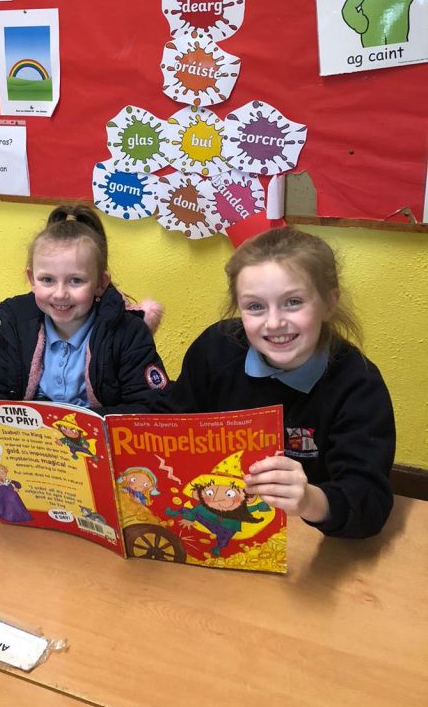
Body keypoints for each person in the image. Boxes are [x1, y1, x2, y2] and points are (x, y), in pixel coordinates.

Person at [169, 227, 395, 539]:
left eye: (293, 302)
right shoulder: (214, 350)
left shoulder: (358, 385)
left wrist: (309, 500)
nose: (274, 323)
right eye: (255, 306)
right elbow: (172, 418)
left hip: (310, 535)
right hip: (218, 518)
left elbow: (370, 503)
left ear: (329, 303)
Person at [0, 203, 169, 413]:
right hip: (32, 430)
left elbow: (150, 404)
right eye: (47, 280)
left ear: (101, 283)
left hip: (98, 430)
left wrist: (87, 423)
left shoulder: (128, 332)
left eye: (75, 280)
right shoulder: (16, 324)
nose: (60, 293)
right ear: (32, 279)